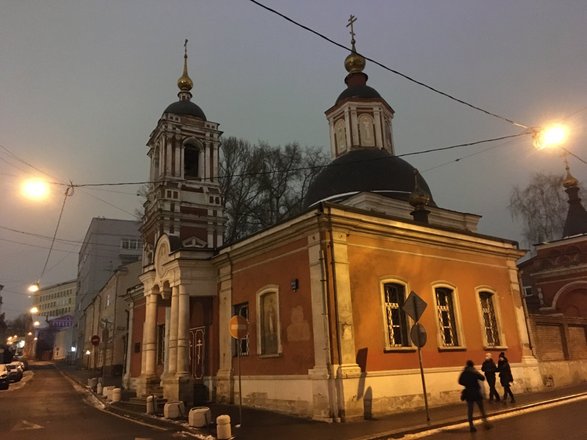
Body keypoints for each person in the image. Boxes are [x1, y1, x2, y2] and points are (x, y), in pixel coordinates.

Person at [458, 360, 491, 432]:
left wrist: (466, 384)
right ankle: (486, 423)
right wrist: (476, 372)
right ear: (472, 365)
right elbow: (482, 378)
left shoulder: (464, 372)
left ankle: (471, 426)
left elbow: (460, 381)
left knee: (470, 410)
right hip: (476, 392)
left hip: (469, 393)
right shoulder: (473, 371)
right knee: (481, 408)